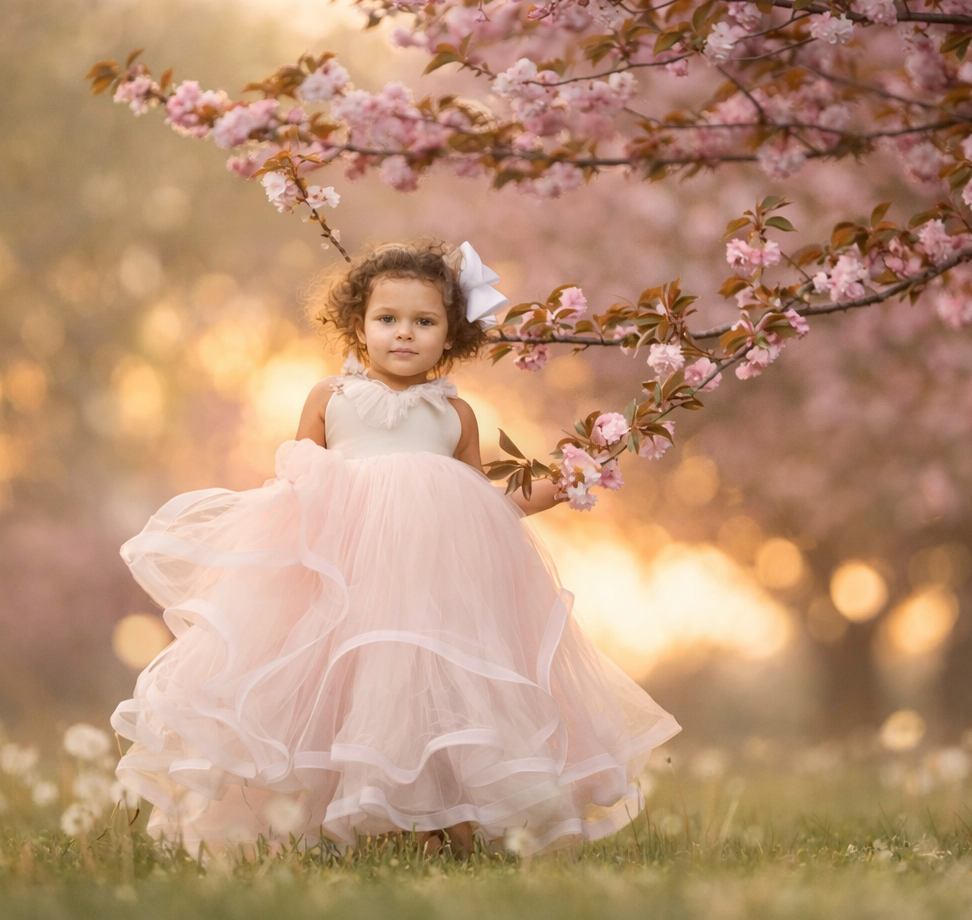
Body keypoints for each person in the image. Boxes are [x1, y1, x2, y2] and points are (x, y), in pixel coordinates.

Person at [110, 240, 679, 860]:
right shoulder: (331, 398)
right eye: (388, 320)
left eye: (424, 321)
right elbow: (299, 484)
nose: (404, 334)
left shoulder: (456, 413)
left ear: (450, 334)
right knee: (349, 690)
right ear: (359, 327)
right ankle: (339, 825)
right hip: (349, 582)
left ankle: (452, 823)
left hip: (433, 589)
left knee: (442, 694)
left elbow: (485, 501)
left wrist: (562, 483)